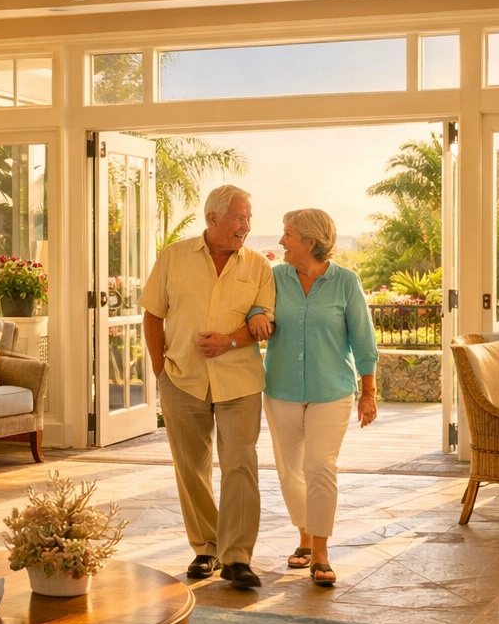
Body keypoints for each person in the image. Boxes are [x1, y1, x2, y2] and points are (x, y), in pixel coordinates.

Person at [140, 185, 276, 589]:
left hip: (240, 381)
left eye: (248, 218)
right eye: (239, 217)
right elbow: (153, 314)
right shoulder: (173, 256)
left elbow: (265, 324)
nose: (246, 226)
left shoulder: (259, 266)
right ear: (213, 218)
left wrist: (229, 341)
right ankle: (206, 547)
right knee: (191, 468)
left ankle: (237, 558)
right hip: (182, 379)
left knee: (240, 464)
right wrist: (160, 370)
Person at [260, 208, 378, 587]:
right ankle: (305, 537)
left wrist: (369, 392)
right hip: (281, 389)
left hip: (332, 391)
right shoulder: (275, 277)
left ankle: (321, 552)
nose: (282, 241)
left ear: (310, 241)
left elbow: (363, 341)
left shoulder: (346, 282)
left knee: (320, 467)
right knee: (290, 471)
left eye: (288, 234)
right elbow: (257, 309)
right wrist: (255, 316)